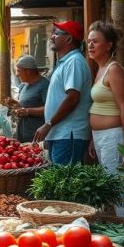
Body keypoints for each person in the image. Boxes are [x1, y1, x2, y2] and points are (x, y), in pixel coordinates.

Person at [34, 21, 92, 164]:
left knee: (64, 182)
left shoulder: (74, 62)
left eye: (56, 33)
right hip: (60, 134)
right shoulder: (65, 62)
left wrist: (48, 124)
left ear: (69, 39)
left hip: (69, 134)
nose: (52, 37)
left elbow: (73, 98)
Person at [86, 22, 124, 172]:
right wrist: (93, 138)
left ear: (108, 45)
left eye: (95, 41)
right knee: (109, 183)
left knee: (114, 183)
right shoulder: (101, 68)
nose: (90, 45)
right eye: (89, 42)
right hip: (100, 136)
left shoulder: (114, 70)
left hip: (113, 136)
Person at [8, 55, 50, 144]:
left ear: (28, 71)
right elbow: (27, 104)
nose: (17, 74)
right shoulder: (24, 85)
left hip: (36, 136)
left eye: (19, 70)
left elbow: (50, 109)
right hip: (23, 133)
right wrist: (16, 103)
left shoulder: (44, 85)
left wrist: (27, 111)